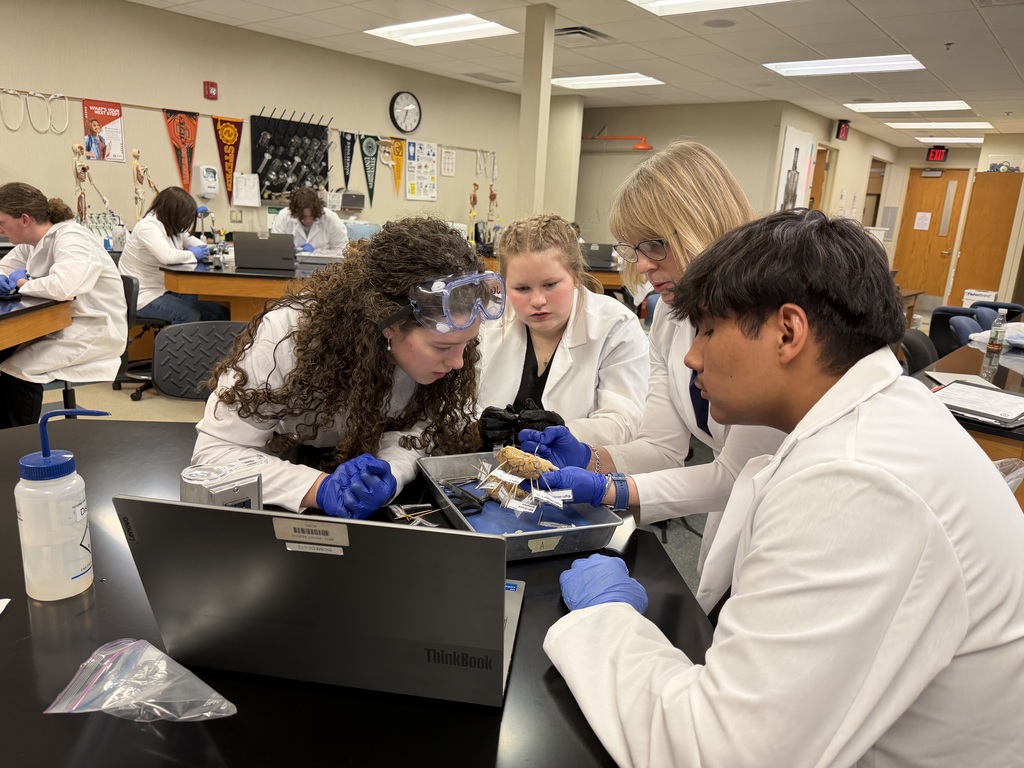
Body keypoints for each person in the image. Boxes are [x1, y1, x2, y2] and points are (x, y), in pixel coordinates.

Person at [543, 209, 1024, 767]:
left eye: (708, 331)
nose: (693, 356)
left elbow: (714, 753)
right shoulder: (883, 414)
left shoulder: (857, 483)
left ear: (789, 333)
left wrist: (606, 618)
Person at [520, 141, 783, 579]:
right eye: (635, 248)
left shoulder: (762, 323)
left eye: (656, 245)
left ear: (702, 226)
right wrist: (588, 457)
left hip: (780, 513)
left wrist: (608, 489)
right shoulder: (669, 316)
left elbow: (735, 474)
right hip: (729, 511)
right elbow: (663, 449)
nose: (642, 266)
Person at [192, 217, 504, 517]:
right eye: (441, 347)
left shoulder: (452, 345)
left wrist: (392, 471)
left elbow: (426, 428)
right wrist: (319, 488)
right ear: (389, 325)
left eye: (467, 344)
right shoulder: (287, 336)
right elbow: (216, 455)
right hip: (285, 467)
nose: (458, 362)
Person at [477, 213, 648, 449]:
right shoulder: (487, 322)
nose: (537, 300)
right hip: (492, 465)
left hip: (578, 468)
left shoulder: (616, 327)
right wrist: (476, 426)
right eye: (522, 288)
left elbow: (623, 422)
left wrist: (566, 432)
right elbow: (459, 405)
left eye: (550, 285)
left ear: (575, 276)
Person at [0, 182, 127, 428]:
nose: (0, 230)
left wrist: (22, 282)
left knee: (18, 371)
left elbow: (64, 287)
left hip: (92, 328)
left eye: (2, 222)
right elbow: (4, 267)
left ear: (24, 219)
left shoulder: (72, 237)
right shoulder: (29, 243)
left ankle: (17, 443)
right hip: (54, 322)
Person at [118, 186, 229, 324]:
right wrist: (193, 254)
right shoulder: (148, 227)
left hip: (163, 290)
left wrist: (213, 248)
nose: (185, 222)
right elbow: (168, 256)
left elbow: (195, 243)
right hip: (142, 296)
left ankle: (206, 339)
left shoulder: (171, 226)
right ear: (174, 213)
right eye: (184, 217)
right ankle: (174, 339)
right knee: (189, 314)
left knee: (217, 312)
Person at [270, 187, 349, 258]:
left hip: (323, 267)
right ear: (295, 213)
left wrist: (317, 253)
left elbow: (343, 251)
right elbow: (274, 248)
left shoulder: (330, 218)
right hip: (291, 266)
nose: (308, 220)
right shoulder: (284, 217)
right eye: (303, 217)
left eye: (312, 216)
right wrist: (286, 251)